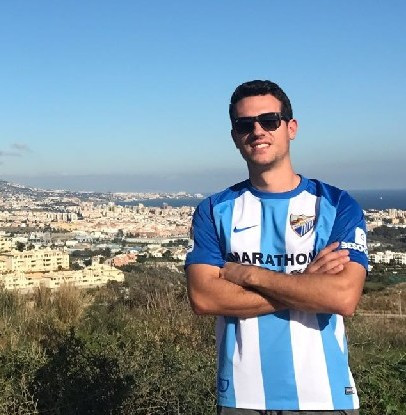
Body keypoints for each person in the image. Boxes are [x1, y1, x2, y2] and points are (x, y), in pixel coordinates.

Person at [185, 80, 368, 414]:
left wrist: (250, 275)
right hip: (241, 397)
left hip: (325, 396)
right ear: (235, 137)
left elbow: (342, 297)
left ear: (291, 128)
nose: (257, 131)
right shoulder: (214, 210)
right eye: (245, 124)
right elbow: (205, 297)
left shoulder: (336, 204)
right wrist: (306, 284)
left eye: (269, 121)